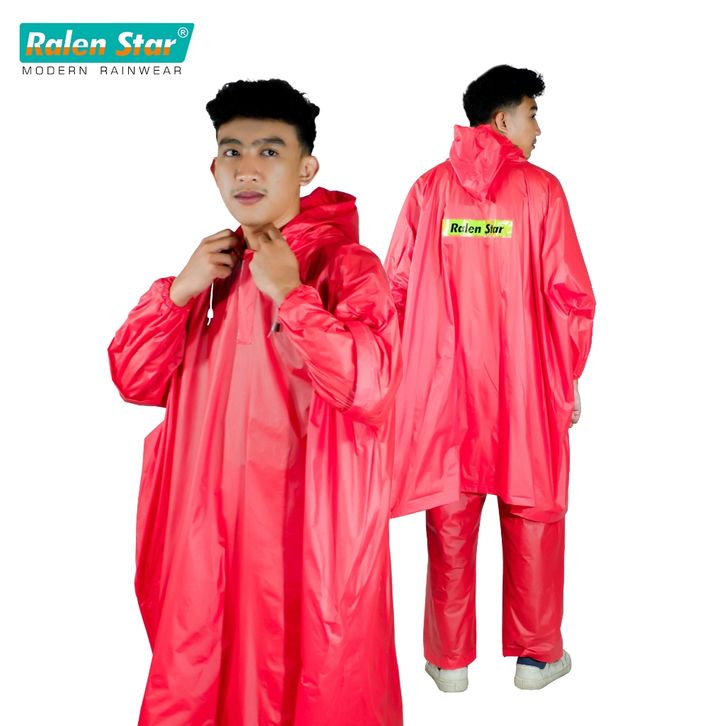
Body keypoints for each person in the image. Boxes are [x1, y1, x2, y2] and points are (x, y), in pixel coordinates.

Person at [109, 79, 403, 725]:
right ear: (213, 167)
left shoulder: (347, 267)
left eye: (270, 151)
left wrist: (293, 296)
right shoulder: (215, 271)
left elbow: (374, 387)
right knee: (200, 685)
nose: (247, 169)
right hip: (207, 540)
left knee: (310, 686)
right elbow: (134, 379)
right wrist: (176, 294)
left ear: (307, 167)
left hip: (305, 543)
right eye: (232, 151)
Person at [384, 65, 596, 692]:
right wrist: (567, 375)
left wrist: (397, 381)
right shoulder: (542, 191)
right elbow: (570, 297)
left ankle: (450, 662)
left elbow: (392, 292)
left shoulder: (428, 191)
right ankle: (536, 658)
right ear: (502, 120)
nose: (539, 130)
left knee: (450, 515)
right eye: (532, 115)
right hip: (526, 389)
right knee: (532, 513)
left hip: (443, 395)